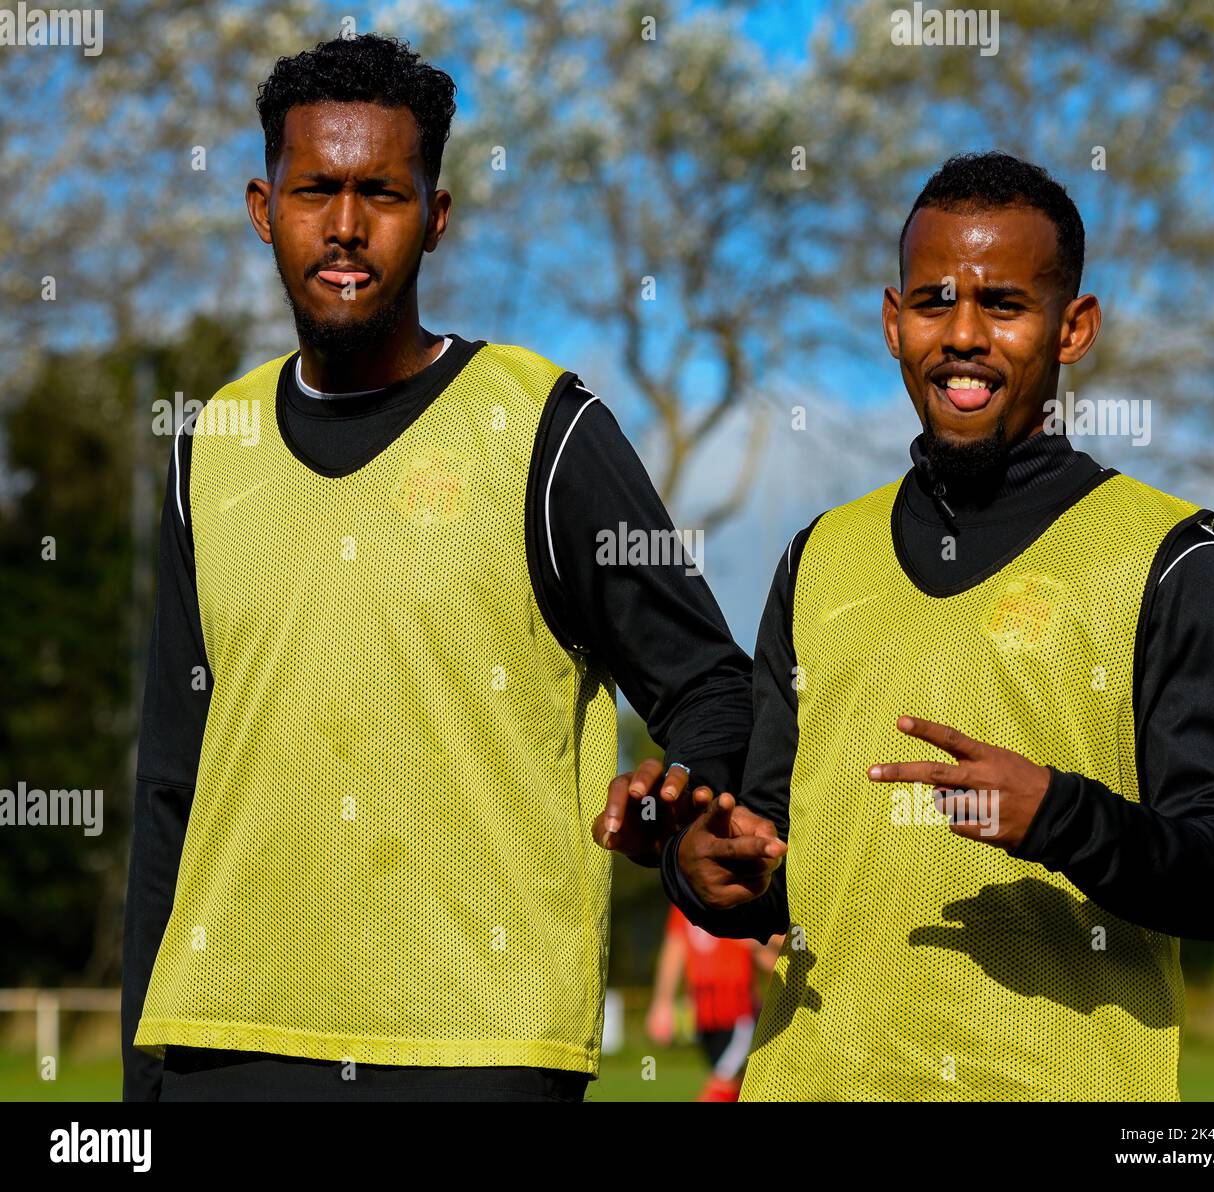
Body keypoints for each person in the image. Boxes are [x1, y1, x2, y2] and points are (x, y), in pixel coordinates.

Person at [121, 33, 751, 1103]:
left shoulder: (543, 429)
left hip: (476, 1049)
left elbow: (711, 685)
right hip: (220, 1038)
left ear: (438, 218)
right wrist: (140, 1081)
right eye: (316, 189)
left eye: (385, 193)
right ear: (262, 207)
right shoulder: (209, 439)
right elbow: (172, 778)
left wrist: (681, 795)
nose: (347, 226)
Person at [660, 152, 1214, 1101]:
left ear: (1072, 328)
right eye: (932, 302)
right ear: (891, 321)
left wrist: (1062, 818)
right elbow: (783, 856)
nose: (961, 335)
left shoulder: (1162, 557)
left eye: (1002, 305)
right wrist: (705, 869)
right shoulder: (816, 557)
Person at [645, 906, 780, 1101]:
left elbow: (775, 952)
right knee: (740, 1089)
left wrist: (757, 940)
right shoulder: (684, 898)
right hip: (704, 1019)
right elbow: (675, 948)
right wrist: (662, 1003)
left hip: (740, 1018)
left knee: (721, 1086)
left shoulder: (740, 895)